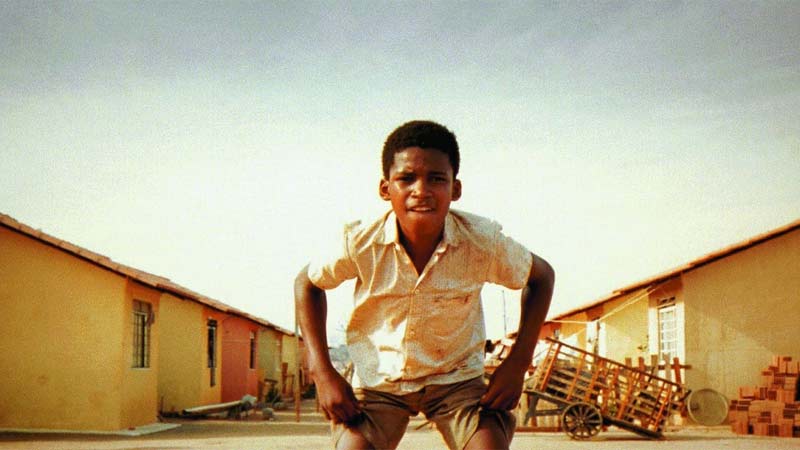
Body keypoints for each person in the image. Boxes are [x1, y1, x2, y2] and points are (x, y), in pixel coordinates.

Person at [295, 120, 554, 450]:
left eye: (436, 178)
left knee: (487, 447)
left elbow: (542, 277)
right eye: (406, 179)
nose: (421, 190)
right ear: (385, 189)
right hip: (380, 382)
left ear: (455, 189)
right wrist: (322, 372)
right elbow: (307, 283)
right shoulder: (360, 242)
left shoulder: (481, 242)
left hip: (456, 380)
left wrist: (517, 363)